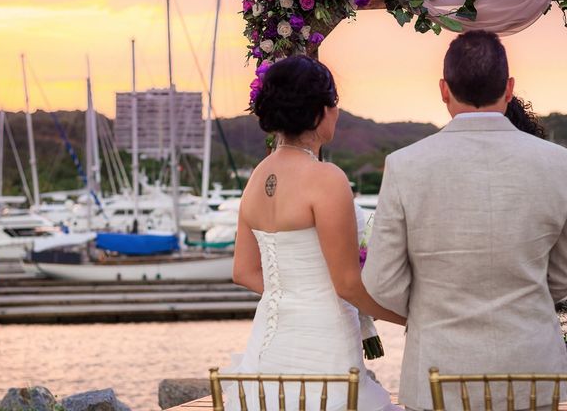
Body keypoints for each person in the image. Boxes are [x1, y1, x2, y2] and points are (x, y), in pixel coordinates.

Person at [362, 30, 567, 411]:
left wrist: (432, 309)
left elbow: (380, 280)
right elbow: (563, 273)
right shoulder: (558, 164)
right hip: (532, 370)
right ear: (508, 88)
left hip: (439, 366)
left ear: (443, 89)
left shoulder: (405, 166)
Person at [228, 55, 404, 410]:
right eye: (334, 105)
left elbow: (243, 272)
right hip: (324, 343)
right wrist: (407, 317)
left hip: (268, 347)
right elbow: (347, 285)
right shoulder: (326, 179)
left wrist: (293, 294)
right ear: (321, 112)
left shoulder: (256, 177)